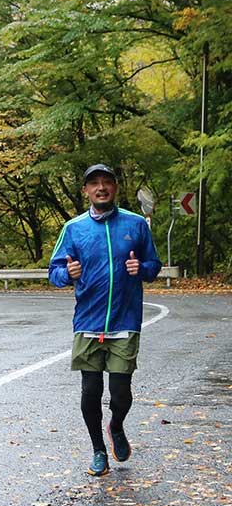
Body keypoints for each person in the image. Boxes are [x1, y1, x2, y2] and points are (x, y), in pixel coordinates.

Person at [48, 164, 161, 477]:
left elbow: (154, 264)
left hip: (125, 320)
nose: (101, 188)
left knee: (121, 393)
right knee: (90, 391)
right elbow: (54, 272)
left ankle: (116, 425)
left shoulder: (136, 225)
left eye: (107, 183)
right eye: (94, 183)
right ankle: (98, 449)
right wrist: (65, 275)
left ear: (115, 188)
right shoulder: (73, 229)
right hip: (87, 322)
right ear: (86, 191)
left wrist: (144, 269)